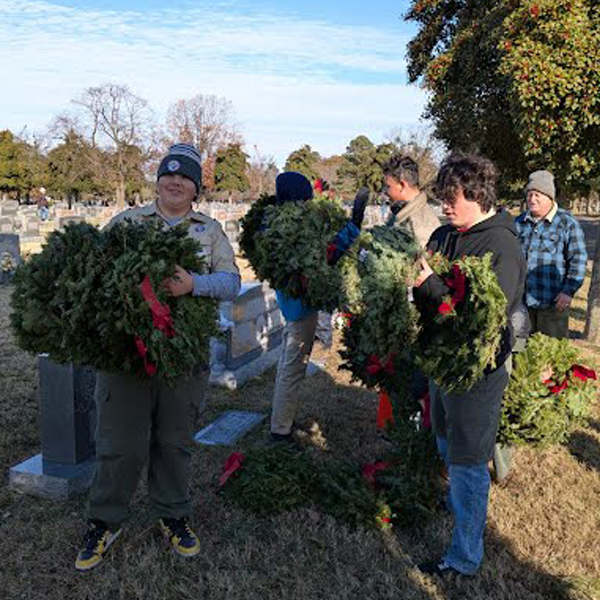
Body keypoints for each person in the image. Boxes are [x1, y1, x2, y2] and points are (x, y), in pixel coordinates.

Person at [75, 143, 241, 571]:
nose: (175, 181)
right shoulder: (127, 223)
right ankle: (104, 521)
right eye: (168, 174)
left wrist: (194, 285)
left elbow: (231, 280)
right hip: (125, 355)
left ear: (196, 187)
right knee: (119, 444)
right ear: (157, 181)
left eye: (185, 176)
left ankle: (173, 514)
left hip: (183, 358)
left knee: (174, 441)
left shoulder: (210, 231)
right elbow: (93, 270)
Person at [413, 153, 525, 577]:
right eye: (441, 197)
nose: (444, 205)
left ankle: (464, 557)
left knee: (468, 458)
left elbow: (484, 318)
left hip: (479, 369)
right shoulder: (444, 235)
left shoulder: (501, 245)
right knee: (443, 435)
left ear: (478, 195)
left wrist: (430, 287)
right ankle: (454, 500)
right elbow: (422, 275)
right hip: (443, 362)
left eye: (451, 197)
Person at [270, 173, 368, 441]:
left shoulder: (278, 223)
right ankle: (280, 429)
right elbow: (327, 253)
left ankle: (282, 418)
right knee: (293, 364)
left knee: (289, 363)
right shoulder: (295, 229)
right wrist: (355, 222)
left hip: (293, 304)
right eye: (307, 197)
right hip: (299, 306)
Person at [515, 170, 587, 339]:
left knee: (550, 354)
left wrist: (568, 291)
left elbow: (579, 259)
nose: (532, 199)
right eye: (530, 194)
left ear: (550, 197)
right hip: (521, 305)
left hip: (553, 304)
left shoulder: (566, 222)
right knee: (518, 351)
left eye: (538, 194)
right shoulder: (518, 222)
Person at [383, 154, 441, 248]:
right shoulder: (402, 215)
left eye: (388, 186)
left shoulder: (418, 227)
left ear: (402, 185)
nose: (385, 192)